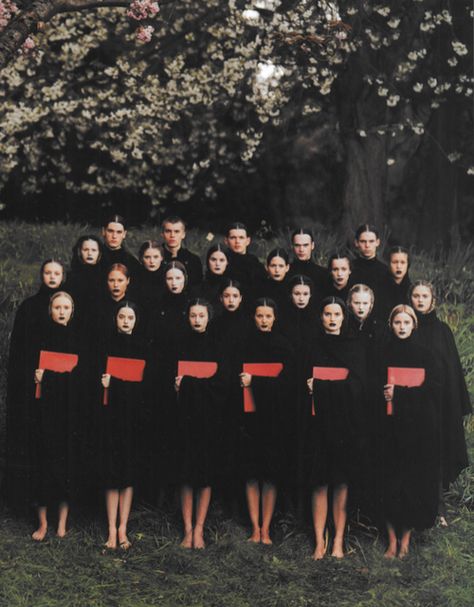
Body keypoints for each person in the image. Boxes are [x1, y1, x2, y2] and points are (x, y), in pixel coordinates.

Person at [3, 260, 67, 515]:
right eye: (48, 273)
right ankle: (28, 503)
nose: (52, 277)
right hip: (33, 383)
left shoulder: (68, 306)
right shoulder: (29, 307)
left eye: (57, 273)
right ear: (42, 275)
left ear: (63, 276)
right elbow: (19, 350)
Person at [305, 297, 366, 559]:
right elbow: (300, 382)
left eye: (337, 314)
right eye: (327, 313)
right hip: (317, 425)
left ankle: (339, 540)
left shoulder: (354, 347)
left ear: (344, 317)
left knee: (341, 482)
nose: (332, 318)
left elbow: (358, 386)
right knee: (319, 482)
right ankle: (320, 540)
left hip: (344, 427)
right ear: (321, 317)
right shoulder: (311, 346)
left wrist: (321, 387)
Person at [380, 305, 440, 558]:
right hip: (387, 428)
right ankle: (391, 539)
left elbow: (433, 392)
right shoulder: (380, 353)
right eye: (397, 322)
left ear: (414, 325)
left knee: (410, 483)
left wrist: (400, 394)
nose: (402, 327)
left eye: (406, 322)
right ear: (391, 325)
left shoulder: (426, 355)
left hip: (417, 431)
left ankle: (405, 539)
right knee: (389, 481)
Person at [410, 281, 471, 525]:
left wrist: (456, 406)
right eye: (416, 295)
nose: (420, 300)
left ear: (433, 300)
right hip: (410, 402)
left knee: (436, 455)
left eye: (425, 296)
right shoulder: (403, 325)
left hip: (437, 405)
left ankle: (438, 508)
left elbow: (452, 370)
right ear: (410, 298)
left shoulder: (442, 331)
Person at [239, 298, 293, 545]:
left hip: (275, 419)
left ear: (275, 318)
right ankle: (254, 527)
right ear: (254, 317)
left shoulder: (284, 346)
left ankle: (267, 528)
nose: (263, 320)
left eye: (268, 316)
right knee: (251, 472)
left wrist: (255, 382)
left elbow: (286, 386)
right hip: (248, 417)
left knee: (270, 474)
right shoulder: (244, 344)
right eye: (259, 316)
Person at [31, 291, 83, 540]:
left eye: (66, 307)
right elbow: (34, 375)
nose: (62, 312)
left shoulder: (78, 339)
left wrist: (49, 378)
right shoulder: (40, 337)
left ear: (72, 311)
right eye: (57, 307)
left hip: (70, 411)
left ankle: (62, 523)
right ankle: (42, 524)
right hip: (44, 410)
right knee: (43, 464)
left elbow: (78, 380)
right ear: (50, 310)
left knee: (66, 467)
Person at [174, 299, 225, 549]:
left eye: (201, 315)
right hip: (183, 419)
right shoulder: (179, 345)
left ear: (208, 317)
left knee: (204, 476)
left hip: (209, 420)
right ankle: (186, 529)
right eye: (192, 315)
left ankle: (199, 529)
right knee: (185, 474)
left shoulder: (217, 346)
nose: (196, 320)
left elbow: (221, 386)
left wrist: (189, 383)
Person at [100, 301, 148, 550]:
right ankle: (110, 528)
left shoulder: (142, 348)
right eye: (121, 316)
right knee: (112, 474)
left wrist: (115, 383)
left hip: (132, 419)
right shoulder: (105, 346)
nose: (126, 321)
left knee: (127, 474)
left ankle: (123, 529)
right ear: (115, 319)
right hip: (110, 418)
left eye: (130, 316)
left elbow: (145, 390)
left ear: (136, 320)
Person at [66, 235, 105, 326]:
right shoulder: (70, 276)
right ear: (80, 252)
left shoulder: (105, 276)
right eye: (86, 250)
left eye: (93, 250)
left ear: (99, 253)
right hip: (76, 323)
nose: (89, 253)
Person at [351, 224, 388, 317]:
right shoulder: (348, 268)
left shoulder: (386, 271)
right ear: (356, 242)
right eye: (363, 241)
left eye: (371, 241)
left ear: (377, 242)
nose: (367, 245)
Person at [288, 229, 328, 304]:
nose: (301, 249)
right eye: (297, 245)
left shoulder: (323, 274)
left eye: (305, 245)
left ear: (312, 245)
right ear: (292, 246)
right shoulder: (285, 272)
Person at [224, 222, 266, 293]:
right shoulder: (221, 261)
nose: (237, 241)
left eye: (241, 238)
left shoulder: (255, 263)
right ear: (226, 241)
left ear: (248, 241)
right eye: (233, 238)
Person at [161, 216, 203, 286]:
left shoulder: (193, 260)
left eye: (176, 231)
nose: (172, 235)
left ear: (183, 234)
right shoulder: (154, 258)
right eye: (168, 231)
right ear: (162, 234)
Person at [191, 244, 230, 311]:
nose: (217, 264)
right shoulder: (197, 289)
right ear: (207, 261)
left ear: (227, 263)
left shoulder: (233, 287)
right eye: (213, 259)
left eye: (221, 260)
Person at [379, 246, 412, 321]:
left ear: (408, 265)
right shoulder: (379, 287)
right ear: (388, 264)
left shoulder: (412, 290)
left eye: (403, 262)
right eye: (394, 262)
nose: (399, 266)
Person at [255, 248, 291, 314]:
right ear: (266, 267)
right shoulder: (259, 288)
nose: (277, 270)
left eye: (281, 266)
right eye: (273, 266)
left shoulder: (291, 288)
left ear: (287, 268)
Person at [134, 240, 165, 312]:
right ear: (141, 258)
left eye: (156, 257)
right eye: (147, 257)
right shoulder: (136, 275)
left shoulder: (168, 275)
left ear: (161, 258)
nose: (151, 261)